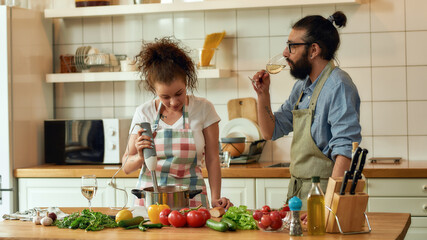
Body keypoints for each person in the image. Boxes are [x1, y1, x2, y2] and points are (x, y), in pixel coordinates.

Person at [251, 11, 362, 208]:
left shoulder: (339, 85)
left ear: (313, 50)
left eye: (292, 46)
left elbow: (345, 151)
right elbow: (270, 131)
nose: (285, 53)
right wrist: (263, 95)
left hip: (325, 193)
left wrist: (327, 205)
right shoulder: (302, 86)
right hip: (298, 193)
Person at [122, 37, 233, 209]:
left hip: (192, 201)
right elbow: (126, 167)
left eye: (179, 93)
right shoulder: (144, 113)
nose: (173, 102)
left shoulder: (204, 109)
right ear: (154, 90)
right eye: (165, 97)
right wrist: (139, 156)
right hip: (150, 202)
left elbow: (212, 159)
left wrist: (215, 197)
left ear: (186, 82)